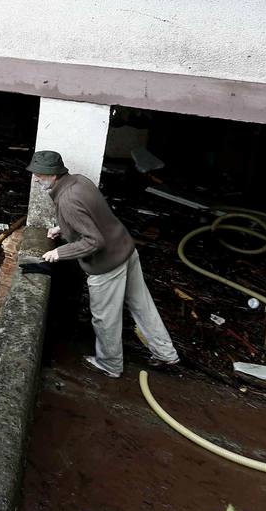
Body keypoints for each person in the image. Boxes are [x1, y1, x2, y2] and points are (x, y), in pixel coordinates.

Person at [28, 149, 179, 379]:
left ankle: (110, 364)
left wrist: (59, 252)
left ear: (53, 175)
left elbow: (94, 241)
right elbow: (92, 215)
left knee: (105, 318)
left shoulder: (66, 199)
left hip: (107, 264)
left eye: (39, 174)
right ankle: (166, 353)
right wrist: (63, 228)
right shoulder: (79, 181)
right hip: (126, 249)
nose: (36, 179)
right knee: (142, 305)